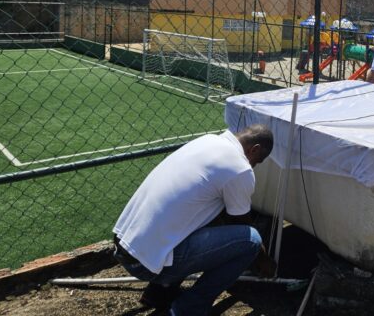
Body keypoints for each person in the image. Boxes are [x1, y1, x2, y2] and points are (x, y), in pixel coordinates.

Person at [113, 125, 276, 316]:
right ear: (254, 149)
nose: (255, 165)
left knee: (202, 219)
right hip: (145, 265)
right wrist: (264, 260)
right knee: (252, 241)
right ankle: (188, 309)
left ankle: (158, 293)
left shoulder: (207, 141)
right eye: (258, 160)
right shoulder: (240, 168)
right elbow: (242, 224)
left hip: (125, 245)